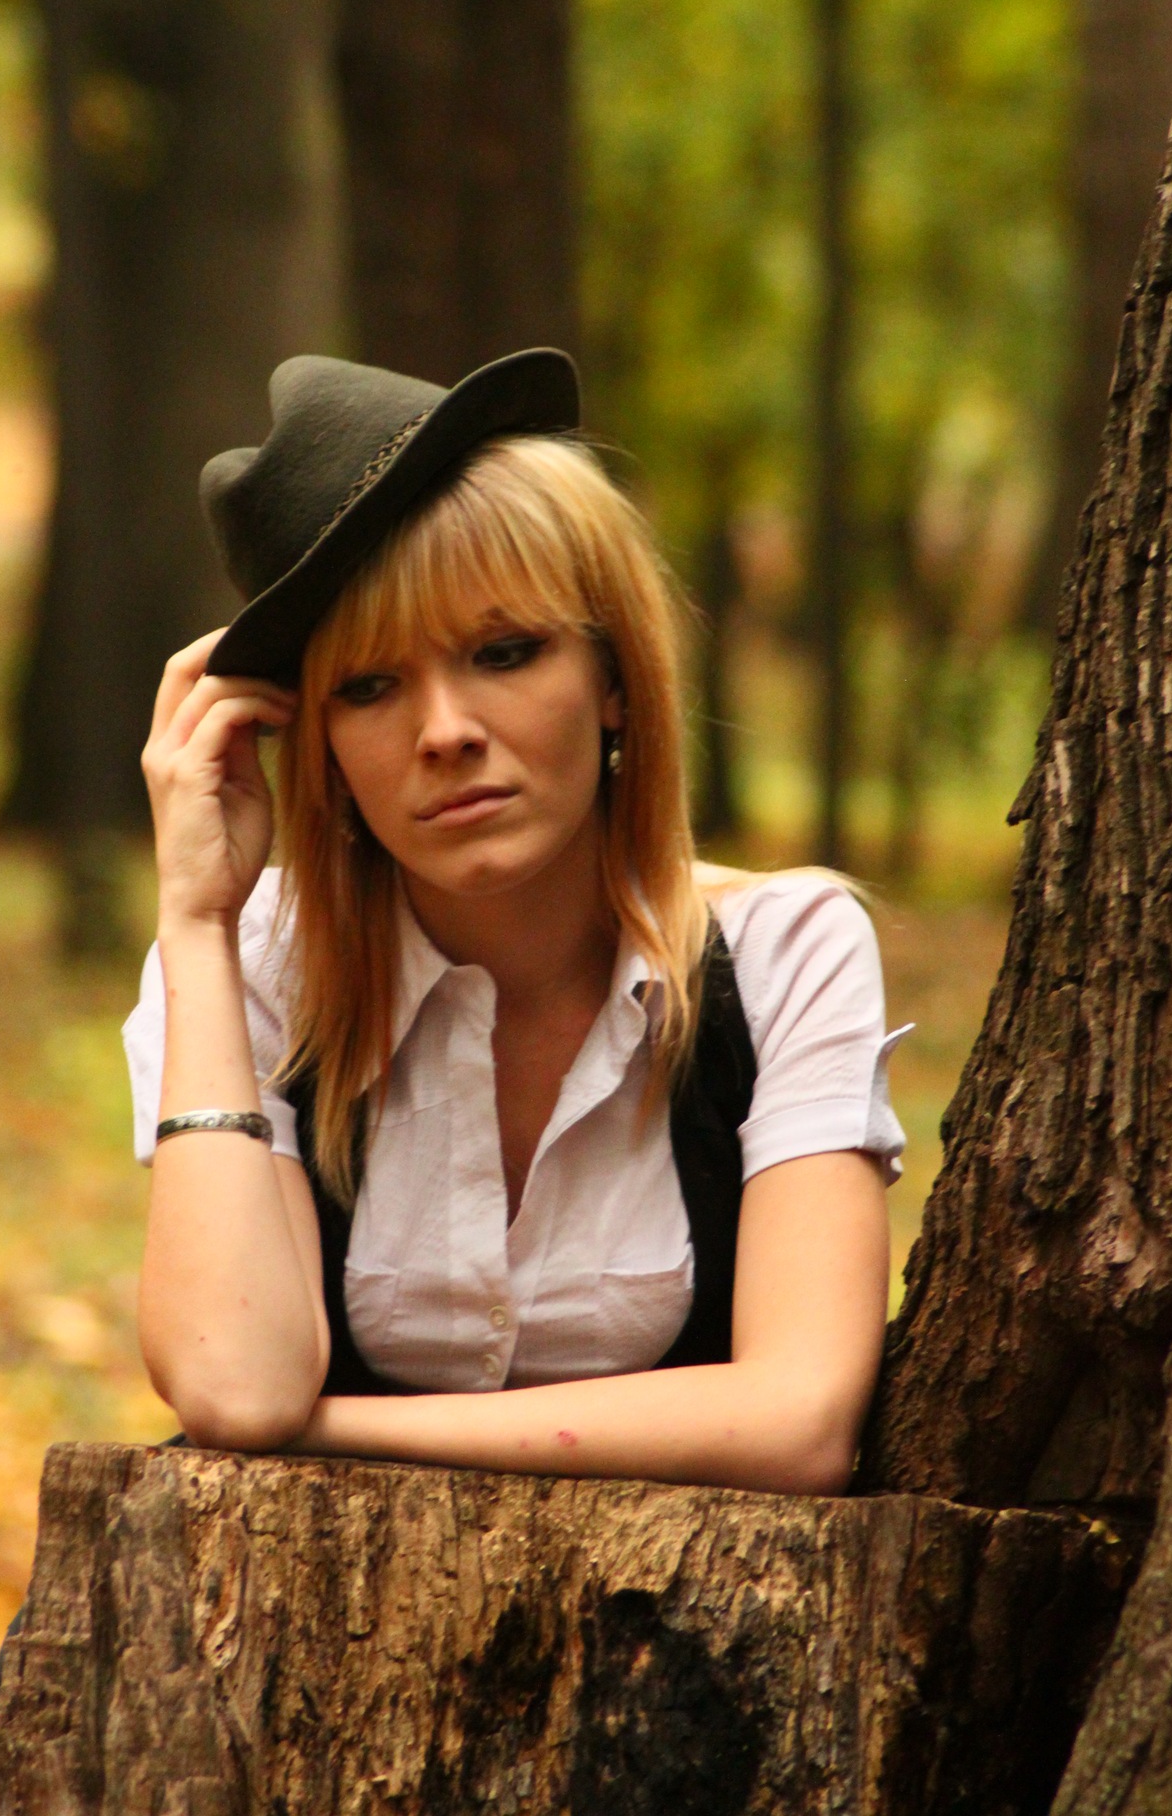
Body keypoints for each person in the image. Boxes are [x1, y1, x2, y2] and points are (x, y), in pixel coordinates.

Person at [124, 347, 907, 1496]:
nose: (445, 730)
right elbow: (235, 1387)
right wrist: (196, 920)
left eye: (504, 652)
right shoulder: (252, 958)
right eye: (369, 685)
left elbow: (799, 1421)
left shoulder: (785, 951)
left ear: (615, 678)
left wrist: (330, 1426)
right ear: (318, 742)